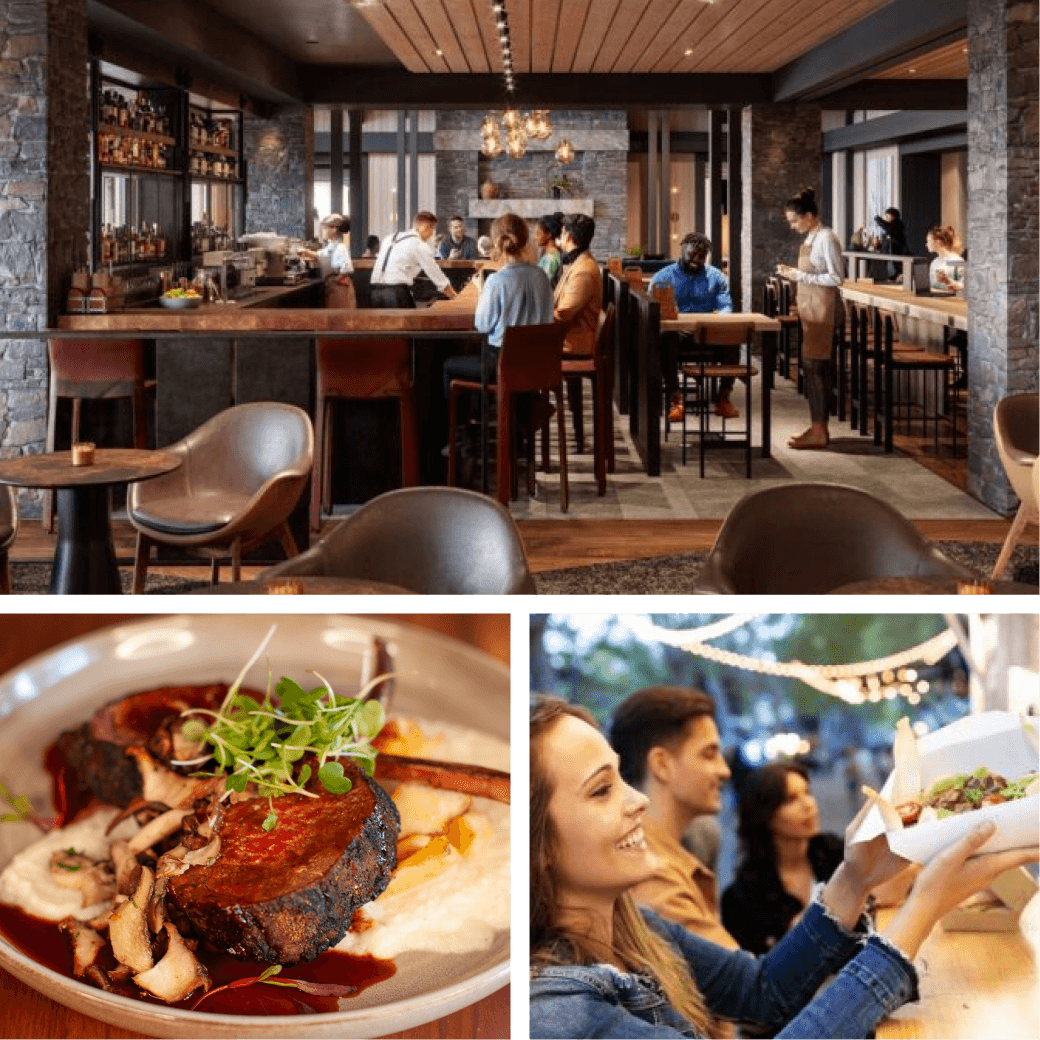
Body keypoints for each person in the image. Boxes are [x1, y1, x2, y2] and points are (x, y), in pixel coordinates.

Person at [528, 694, 1040, 1040]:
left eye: (621, 779)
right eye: (600, 790)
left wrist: (855, 876)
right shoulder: (555, 1009)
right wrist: (920, 910)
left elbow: (763, 992)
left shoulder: (636, 924)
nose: (637, 800)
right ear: (538, 845)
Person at [608, 686, 739, 951]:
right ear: (662, 764)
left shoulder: (668, 852)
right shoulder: (651, 874)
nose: (724, 771)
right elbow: (751, 988)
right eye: (709, 754)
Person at [445, 213, 553, 464]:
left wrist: (483, 293)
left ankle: (463, 436)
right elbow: (548, 320)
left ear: (496, 242)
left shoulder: (497, 280)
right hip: (537, 365)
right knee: (480, 363)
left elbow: (482, 325)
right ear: (525, 239)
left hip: (501, 363)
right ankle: (518, 433)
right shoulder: (542, 278)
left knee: (450, 366)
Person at [721, 762, 842, 955]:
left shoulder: (835, 852)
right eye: (791, 799)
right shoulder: (741, 899)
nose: (808, 805)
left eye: (807, 792)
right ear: (765, 814)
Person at [776, 187, 844, 450]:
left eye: (795, 221)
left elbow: (837, 278)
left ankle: (819, 431)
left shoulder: (826, 238)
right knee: (814, 372)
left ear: (809, 216)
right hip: (812, 313)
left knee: (817, 372)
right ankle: (818, 428)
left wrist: (798, 276)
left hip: (824, 314)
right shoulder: (811, 239)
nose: (793, 227)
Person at [649, 232, 735, 421]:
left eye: (702, 256)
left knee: (732, 338)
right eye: (692, 254)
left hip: (707, 335)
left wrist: (720, 318)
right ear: (682, 250)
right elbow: (653, 310)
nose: (697, 259)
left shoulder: (715, 277)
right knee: (666, 338)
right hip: (678, 336)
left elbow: (726, 306)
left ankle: (723, 398)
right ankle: (676, 399)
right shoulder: (663, 277)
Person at [370, 211, 458, 308]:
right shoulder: (419, 244)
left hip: (375, 292)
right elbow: (437, 276)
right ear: (426, 227)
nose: (432, 233)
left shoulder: (389, 238)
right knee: (410, 323)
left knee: (382, 323)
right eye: (432, 229)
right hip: (396, 293)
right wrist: (457, 300)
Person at [553, 214, 602, 357]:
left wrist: (535, 318)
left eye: (561, 233)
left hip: (572, 343)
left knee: (521, 347)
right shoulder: (580, 262)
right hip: (568, 337)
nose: (559, 239)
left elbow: (563, 314)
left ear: (568, 237)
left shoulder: (584, 270)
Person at [298, 214, 355, 308]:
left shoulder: (341, 247)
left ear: (334, 229)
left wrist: (336, 281)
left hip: (339, 286)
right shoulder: (331, 246)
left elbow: (347, 269)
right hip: (332, 284)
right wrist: (305, 252)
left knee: (341, 317)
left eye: (326, 227)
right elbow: (322, 254)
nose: (324, 230)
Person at [534, 214, 563, 289]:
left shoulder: (552, 259)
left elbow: (541, 286)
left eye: (538, 233)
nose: (535, 237)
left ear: (549, 235)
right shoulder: (547, 254)